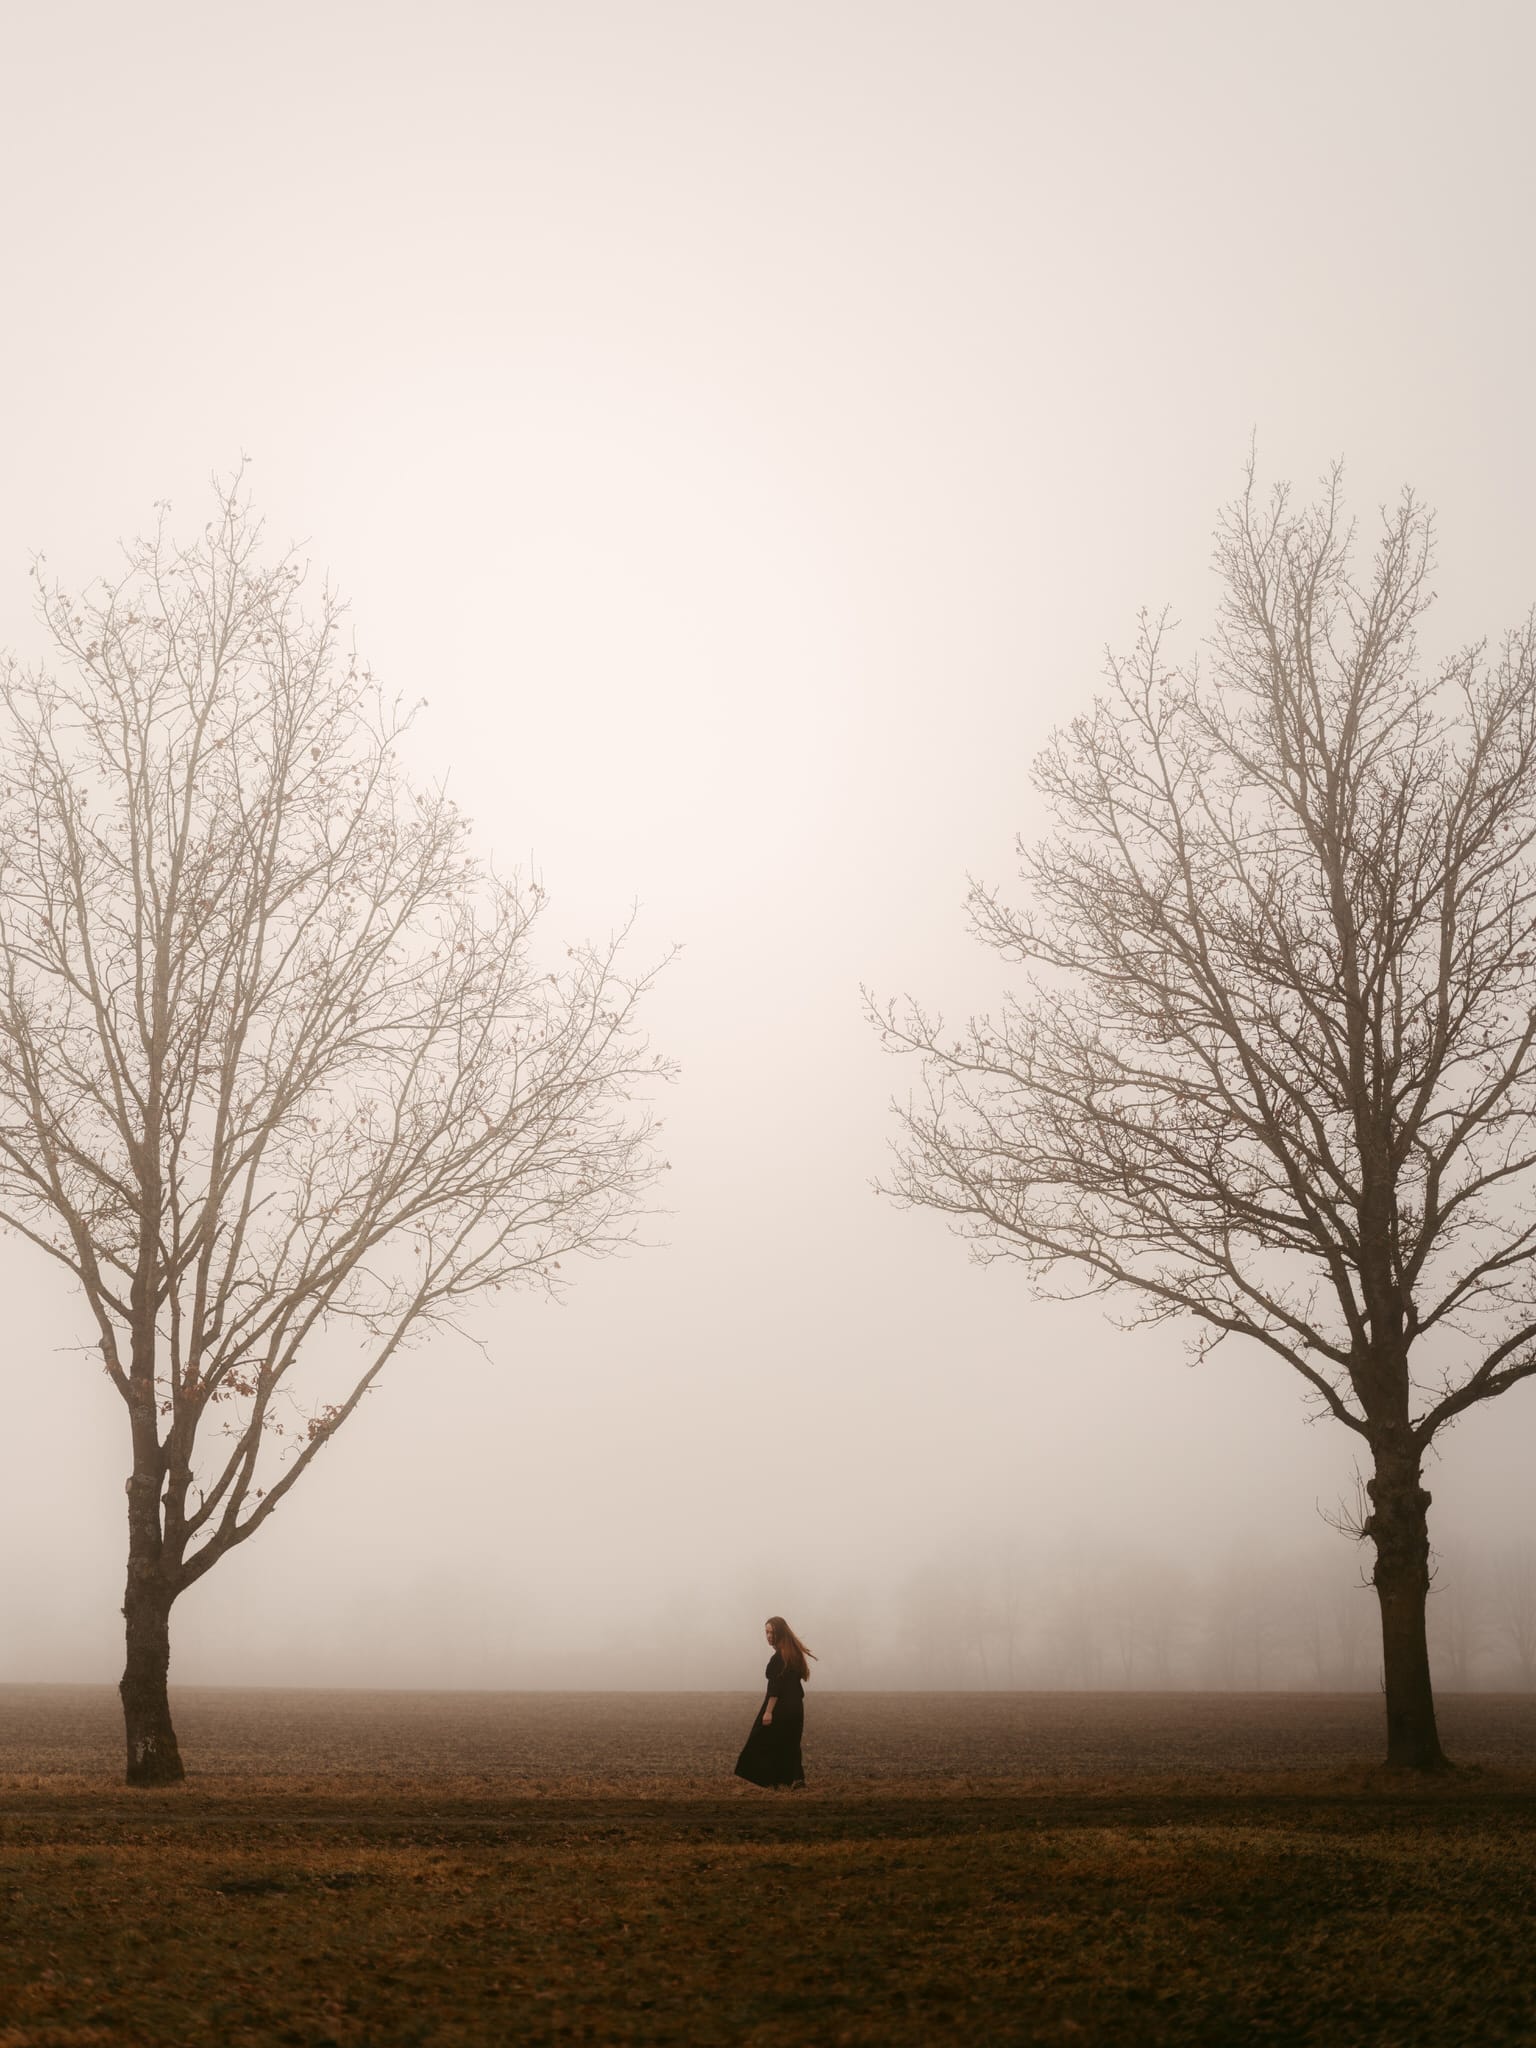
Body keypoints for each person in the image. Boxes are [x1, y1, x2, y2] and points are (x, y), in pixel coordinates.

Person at [734, 1615, 815, 1789]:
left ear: (780, 1633)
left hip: (781, 1707)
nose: (769, 1636)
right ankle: (794, 1780)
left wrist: (768, 1711)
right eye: (767, 1632)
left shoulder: (779, 1658)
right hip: (796, 1707)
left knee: (762, 1739)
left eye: (772, 1632)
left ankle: (771, 1780)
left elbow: (775, 1689)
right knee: (790, 1742)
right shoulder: (794, 1654)